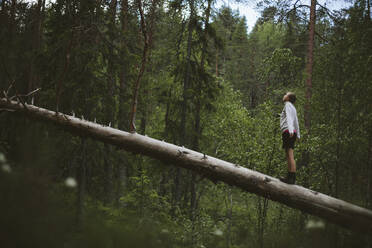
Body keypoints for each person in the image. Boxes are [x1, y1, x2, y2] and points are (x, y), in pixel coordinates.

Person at [279, 92, 300, 184]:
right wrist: (298, 134)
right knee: (289, 154)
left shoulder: (287, 105)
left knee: (289, 154)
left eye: (286, 94)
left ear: (288, 98)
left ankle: (291, 177)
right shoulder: (293, 107)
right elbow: (296, 121)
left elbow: (289, 118)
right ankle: (290, 176)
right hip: (291, 131)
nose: (284, 95)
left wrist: (290, 130)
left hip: (288, 131)